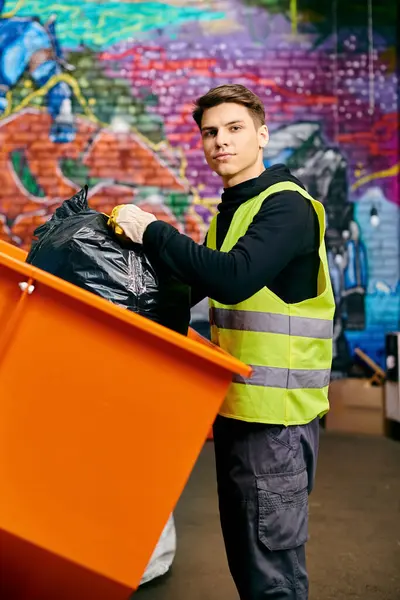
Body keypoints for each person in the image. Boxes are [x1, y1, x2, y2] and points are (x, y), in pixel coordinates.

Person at [108, 84, 335, 600]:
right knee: (249, 564)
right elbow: (192, 290)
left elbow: (233, 278)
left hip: (276, 421)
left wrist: (153, 231)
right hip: (238, 411)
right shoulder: (230, 214)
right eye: (210, 132)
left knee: (271, 576)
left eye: (234, 129)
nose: (220, 142)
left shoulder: (287, 207)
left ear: (262, 134)